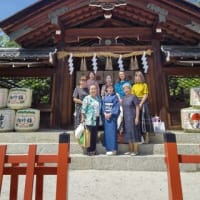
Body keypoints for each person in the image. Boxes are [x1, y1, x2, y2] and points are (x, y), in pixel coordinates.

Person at [131, 71, 154, 144]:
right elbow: (132, 96)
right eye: (136, 76)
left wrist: (141, 103)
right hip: (136, 103)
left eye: (138, 76)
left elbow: (145, 95)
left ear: (141, 77)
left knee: (144, 119)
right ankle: (141, 138)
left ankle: (147, 138)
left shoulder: (144, 85)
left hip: (143, 103)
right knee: (139, 120)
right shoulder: (134, 86)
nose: (137, 77)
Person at [81, 84, 101, 156]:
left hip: (96, 119)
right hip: (89, 119)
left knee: (94, 135)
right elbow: (83, 109)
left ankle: (93, 149)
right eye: (91, 89)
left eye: (94, 89)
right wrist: (83, 118)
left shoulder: (98, 98)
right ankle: (89, 150)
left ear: (96, 90)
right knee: (89, 135)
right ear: (89, 90)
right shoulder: (87, 98)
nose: (93, 90)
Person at [122, 83, 141, 156]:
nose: (126, 90)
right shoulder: (123, 98)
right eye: (124, 89)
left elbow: (137, 107)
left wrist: (137, 117)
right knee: (128, 134)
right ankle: (130, 150)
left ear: (130, 89)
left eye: (127, 88)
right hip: (126, 118)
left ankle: (135, 150)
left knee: (134, 134)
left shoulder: (133, 97)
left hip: (133, 118)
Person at [102, 85, 120, 155]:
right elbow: (103, 106)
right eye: (108, 88)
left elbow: (116, 107)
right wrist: (104, 113)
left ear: (113, 90)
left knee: (112, 133)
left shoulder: (115, 97)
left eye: (111, 88)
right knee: (107, 133)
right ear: (106, 90)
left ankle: (114, 149)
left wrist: (111, 113)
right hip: (106, 117)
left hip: (112, 117)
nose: (109, 89)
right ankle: (108, 149)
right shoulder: (105, 97)